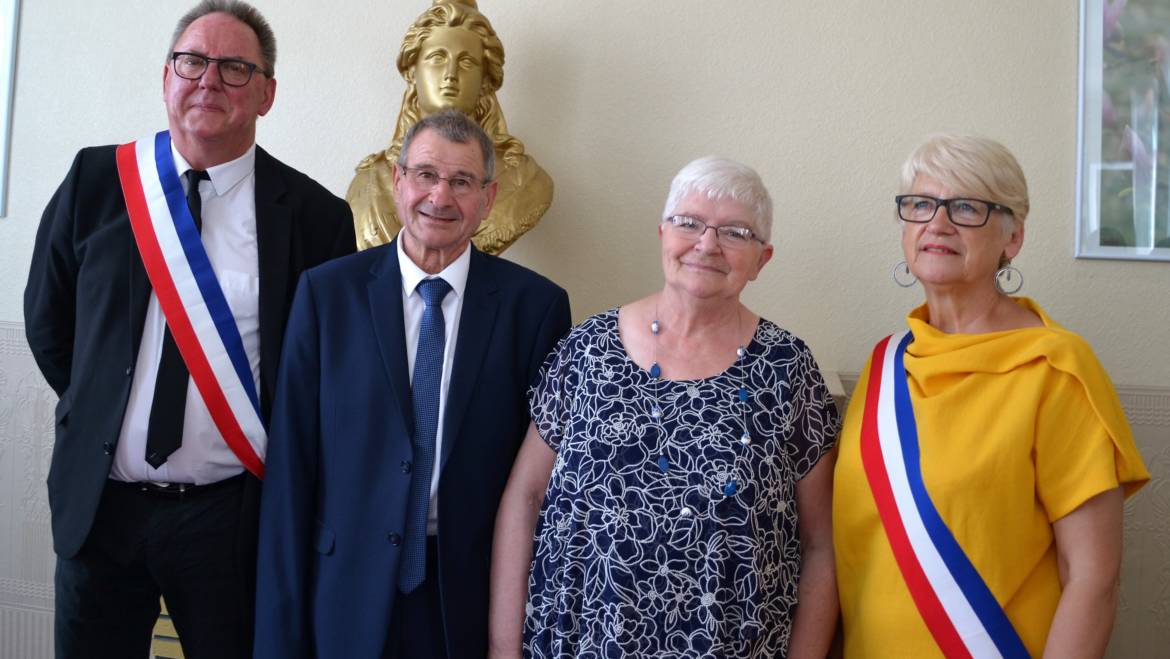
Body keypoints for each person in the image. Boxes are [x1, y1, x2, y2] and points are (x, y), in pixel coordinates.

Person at [22, 2, 355, 658]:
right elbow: (47, 319)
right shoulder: (97, 181)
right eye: (192, 62)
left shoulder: (316, 216)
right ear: (167, 76)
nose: (208, 81)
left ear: (267, 93)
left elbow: (321, 370)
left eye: (235, 68)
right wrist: (103, 412)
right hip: (103, 508)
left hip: (230, 519)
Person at [489, 156, 841, 658]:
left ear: (762, 259)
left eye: (735, 233)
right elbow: (524, 498)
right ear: (662, 234)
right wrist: (503, 649)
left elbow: (821, 546)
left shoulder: (787, 369)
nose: (707, 244)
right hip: (575, 644)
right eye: (689, 223)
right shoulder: (588, 350)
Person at [253, 108, 571, 659]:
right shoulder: (327, 295)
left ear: (488, 198)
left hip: (469, 606)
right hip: (344, 599)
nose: (440, 197)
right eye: (425, 174)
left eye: (462, 181)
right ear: (398, 182)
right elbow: (290, 474)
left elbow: (546, 491)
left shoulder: (536, 309)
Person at [832, 134, 1150, 658]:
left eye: (966, 207)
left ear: (1013, 237)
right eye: (920, 205)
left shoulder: (1055, 368)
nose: (937, 223)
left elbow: (1093, 578)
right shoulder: (884, 364)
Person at [347, 0, 553, 254]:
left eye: (466, 62)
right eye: (437, 57)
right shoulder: (369, 183)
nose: (450, 74)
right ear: (412, 71)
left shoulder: (527, 181)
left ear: (486, 80)